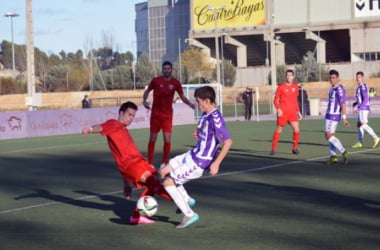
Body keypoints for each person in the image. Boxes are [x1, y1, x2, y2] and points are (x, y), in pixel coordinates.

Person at [81, 101, 172, 225]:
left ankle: (136, 216)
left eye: (133, 116)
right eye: (129, 114)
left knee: (156, 181)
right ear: (121, 112)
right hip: (133, 165)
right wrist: (90, 129)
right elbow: (101, 127)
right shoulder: (113, 124)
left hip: (139, 162)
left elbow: (120, 157)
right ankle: (182, 204)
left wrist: (126, 183)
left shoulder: (124, 129)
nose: (131, 118)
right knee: (154, 184)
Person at [159, 86, 233, 229]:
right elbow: (206, 134)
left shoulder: (216, 118)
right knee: (163, 172)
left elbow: (228, 142)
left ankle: (189, 214)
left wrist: (216, 163)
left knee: (168, 183)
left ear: (207, 101)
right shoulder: (206, 115)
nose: (198, 105)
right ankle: (186, 199)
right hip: (192, 153)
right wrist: (198, 134)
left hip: (199, 161)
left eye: (199, 102)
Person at [142, 61, 195, 167]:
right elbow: (147, 91)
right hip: (156, 114)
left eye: (168, 68)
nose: (166, 70)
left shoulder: (175, 83)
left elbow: (182, 96)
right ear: (162, 70)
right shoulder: (156, 81)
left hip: (167, 116)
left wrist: (189, 104)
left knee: (167, 139)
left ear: (171, 70)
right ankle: (150, 162)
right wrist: (144, 101)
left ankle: (163, 162)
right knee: (152, 138)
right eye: (165, 68)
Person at [270, 69, 302, 155]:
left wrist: (298, 111)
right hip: (283, 113)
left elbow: (295, 100)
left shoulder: (295, 86)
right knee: (279, 130)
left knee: (297, 130)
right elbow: (275, 100)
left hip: (292, 113)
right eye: (287, 75)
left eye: (290, 75)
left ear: (293, 76)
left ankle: (294, 149)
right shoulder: (281, 87)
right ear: (286, 76)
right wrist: (278, 109)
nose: (289, 77)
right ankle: (273, 149)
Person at [324, 70, 350, 165]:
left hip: (333, 116)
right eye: (330, 78)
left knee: (328, 136)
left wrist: (344, 118)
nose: (332, 79)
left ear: (338, 78)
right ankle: (333, 156)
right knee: (330, 136)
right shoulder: (332, 88)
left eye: (334, 78)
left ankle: (344, 152)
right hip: (329, 115)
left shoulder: (339, 89)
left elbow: (343, 104)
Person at [351, 72, 380, 149]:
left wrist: (359, 108)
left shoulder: (363, 86)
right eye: (357, 77)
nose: (358, 78)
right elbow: (362, 99)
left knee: (363, 124)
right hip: (362, 107)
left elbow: (366, 98)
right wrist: (355, 103)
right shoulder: (359, 87)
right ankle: (360, 142)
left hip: (363, 108)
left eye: (359, 77)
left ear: (362, 78)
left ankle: (376, 138)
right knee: (359, 124)